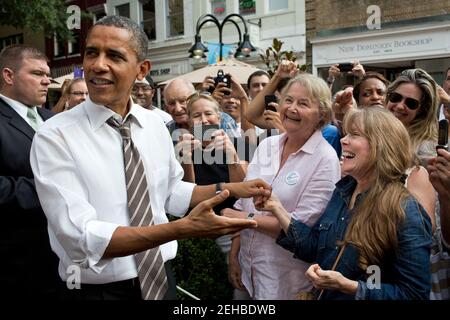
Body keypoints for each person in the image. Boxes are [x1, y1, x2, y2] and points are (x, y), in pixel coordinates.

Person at [30, 15, 270, 301]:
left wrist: (230, 190)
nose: (97, 64)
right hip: (96, 291)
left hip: (160, 278)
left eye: (114, 55)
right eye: (92, 52)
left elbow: (171, 191)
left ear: (141, 69)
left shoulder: (155, 124)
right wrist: (181, 230)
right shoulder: (54, 135)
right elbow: (82, 238)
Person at [263, 107, 432, 300]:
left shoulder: (405, 211)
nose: (343, 140)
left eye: (355, 135)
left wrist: (351, 287)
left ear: (382, 146)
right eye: (346, 134)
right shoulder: (342, 192)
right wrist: (276, 208)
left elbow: (414, 295)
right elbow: (315, 247)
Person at [223, 62, 341, 300]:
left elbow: (299, 229)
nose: (291, 108)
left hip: (285, 279)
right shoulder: (267, 145)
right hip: (248, 270)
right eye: (288, 100)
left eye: (303, 103)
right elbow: (243, 204)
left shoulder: (325, 160)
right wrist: (234, 256)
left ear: (322, 114)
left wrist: (242, 220)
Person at [0, 44, 60, 298]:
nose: (47, 81)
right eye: (37, 74)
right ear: (8, 76)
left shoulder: (53, 120)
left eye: (47, 75)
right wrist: (52, 192)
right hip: (15, 266)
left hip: (63, 262)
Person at [386, 68, 439, 166]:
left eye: (411, 103)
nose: (400, 106)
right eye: (395, 97)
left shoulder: (425, 151)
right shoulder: (373, 132)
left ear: (422, 110)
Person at [164, 78, 239, 143]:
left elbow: (242, 154)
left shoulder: (224, 121)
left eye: (183, 101)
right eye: (171, 103)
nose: (178, 109)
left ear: (193, 99)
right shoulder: (167, 130)